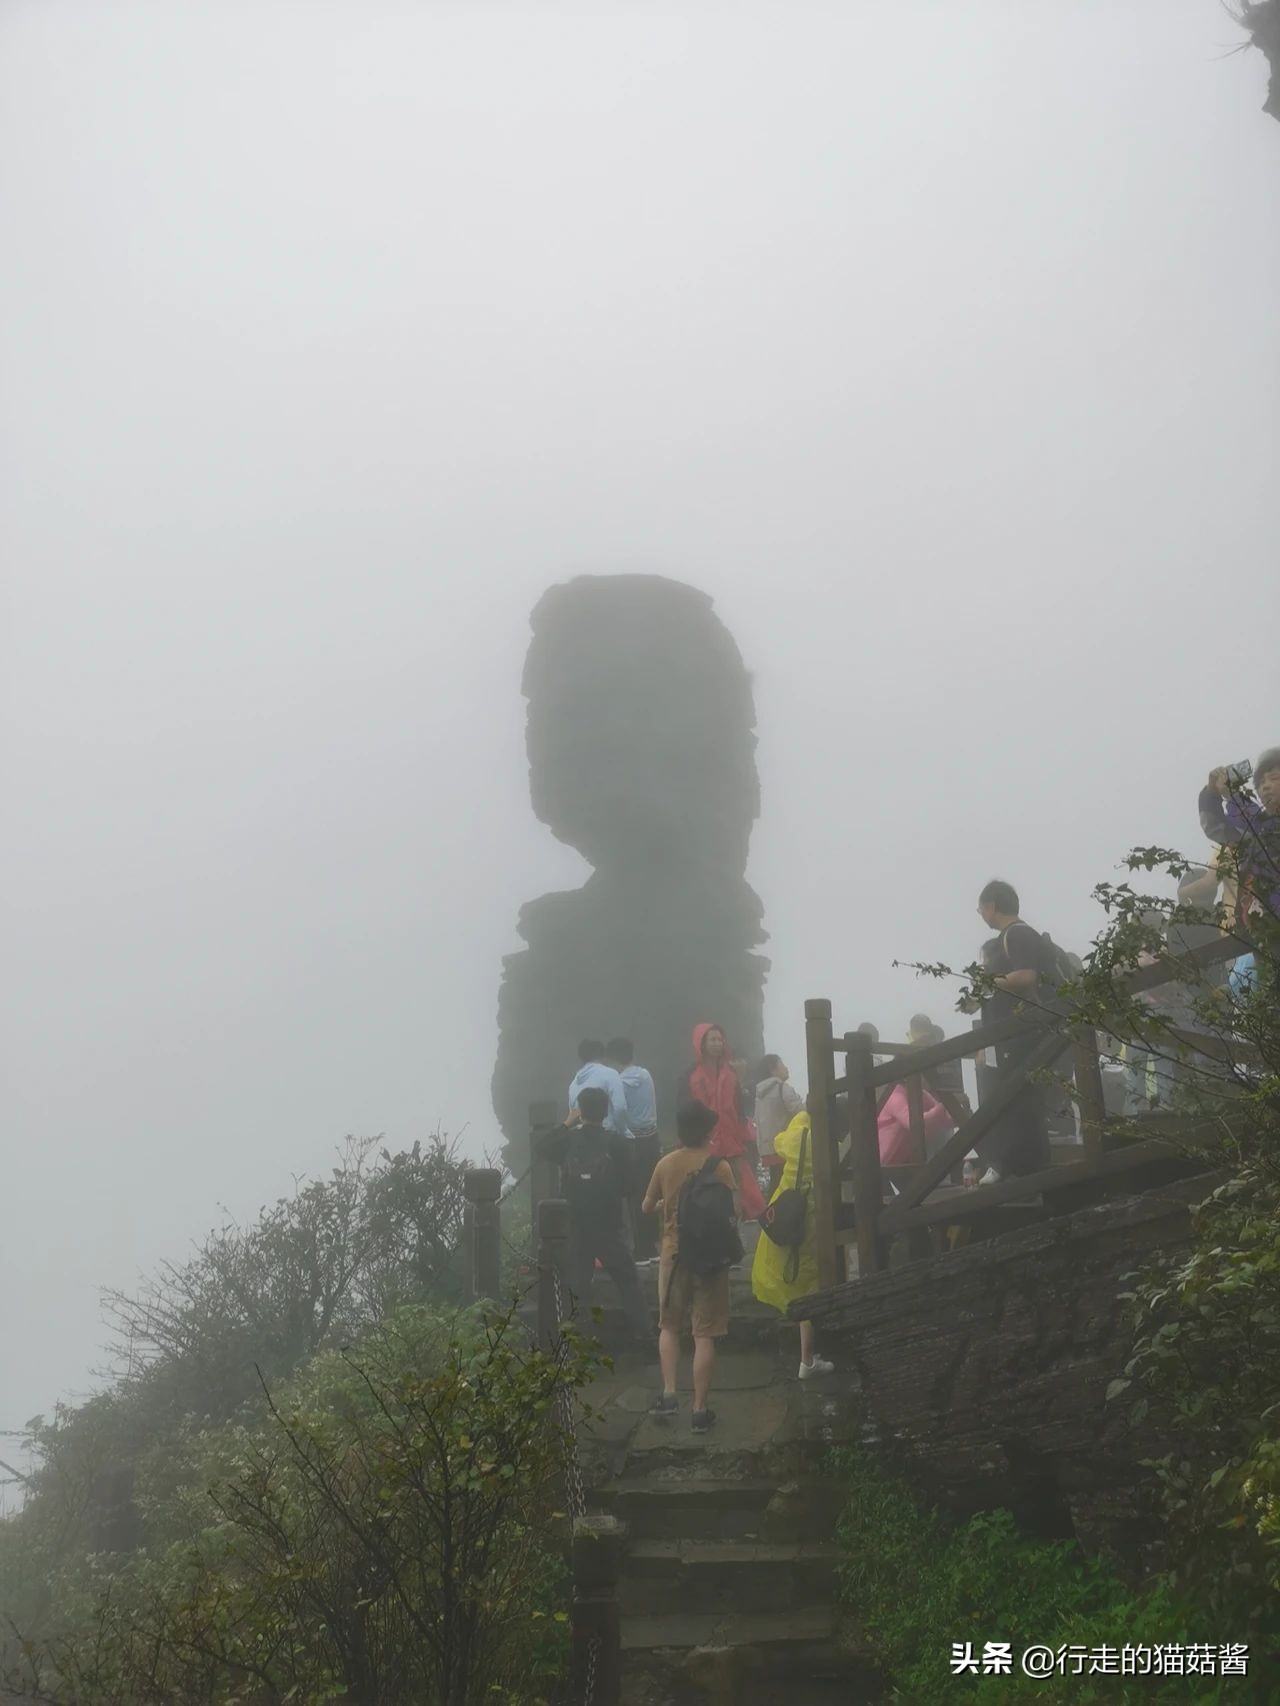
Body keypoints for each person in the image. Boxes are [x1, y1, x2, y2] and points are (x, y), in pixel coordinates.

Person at [642, 1101, 738, 1432]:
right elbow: (730, 1213)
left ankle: (669, 1395)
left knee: (669, 1326)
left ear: (680, 1132)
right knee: (704, 1334)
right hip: (710, 1259)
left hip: (673, 1255)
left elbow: (646, 1206)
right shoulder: (720, 1167)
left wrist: (668, 1208)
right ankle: (699, 1411)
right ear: (708, 1132)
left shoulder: (665, 1164)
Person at [535, 1086, 649, 1345]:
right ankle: (644, 1336)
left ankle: (576, 1340)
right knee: (627, 1280)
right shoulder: (617, 1143)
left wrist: (566, 1122)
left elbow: (542, 1148)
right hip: (608, 1223)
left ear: (580, 1111)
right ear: (606, 1110)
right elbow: (630, 1186)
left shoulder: (568, 1140)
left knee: (577, 1284)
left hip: (574, 1222)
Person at [970, 880, 1052, 1185]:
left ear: (992, 906)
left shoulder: (1017, 934)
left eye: (980, 907)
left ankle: (1008, 1165)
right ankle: (1024, 1165)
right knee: (1016, 1096)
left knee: (1010, 1096)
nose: (979, 913)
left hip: (1021, 1033)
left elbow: (1026, 975)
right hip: (1011, 1034)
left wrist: (990, 981)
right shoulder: (1012, 936)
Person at [751, 1106, 835, 1379]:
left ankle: (807, 1357)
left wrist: (800, 1119)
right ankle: (807, 1360)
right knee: (809, 1283)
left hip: (789, 1210)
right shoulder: (825, 1137)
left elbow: (777, 1142)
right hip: (811, 1214)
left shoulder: (797, 1134)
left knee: (796, 1277)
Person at [682, 1023, 767, 1220]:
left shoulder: (730, 1074)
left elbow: (738, 1108)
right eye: (712, 1039)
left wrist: (742, 1133)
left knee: (742, 1183)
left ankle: (753, 1220)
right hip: (704, 1139)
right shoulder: (691, 1075)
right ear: (701, 1043)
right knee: (708, 1183)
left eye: (720, 1039)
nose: (717, 1044)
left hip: (731, 1138)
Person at [604, 1037, 661, 1261]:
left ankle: (641, 1249)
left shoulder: (618, 1082)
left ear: (613, 1058)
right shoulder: (646, 1075)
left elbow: (618, 1111)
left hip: (632, 1142)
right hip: (651, 1139)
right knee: (653, 1190)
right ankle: (654, 1245)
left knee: (634, 1195)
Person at [753, 1054, 804, 1195]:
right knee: (787, 1185)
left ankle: (771, 1212)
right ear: (773, 1070)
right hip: (784, 1145)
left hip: (767, 1148)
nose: (786, 1068)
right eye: (782, 1064)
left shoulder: (759, 1094)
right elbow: (799, 1111)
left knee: (776, 1183)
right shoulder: (782, 1087)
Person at [876, 1079, 955, 1166]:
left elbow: (946, 1120)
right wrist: (943, 1106)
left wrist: (957, 1111)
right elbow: (912, 1123)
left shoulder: (921, 1094)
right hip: (881, 1162)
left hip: (902, 1161)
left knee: (940, 1132)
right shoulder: (896, 1096)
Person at [567, 1039, 633, 1136]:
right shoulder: (610, 1074)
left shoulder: (574, 1083)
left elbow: (573, 1114)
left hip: (583, 1136)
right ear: (603, 1056)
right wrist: (623, 1131)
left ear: (581, 1058)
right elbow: (620, 1107)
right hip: (606, 1135)